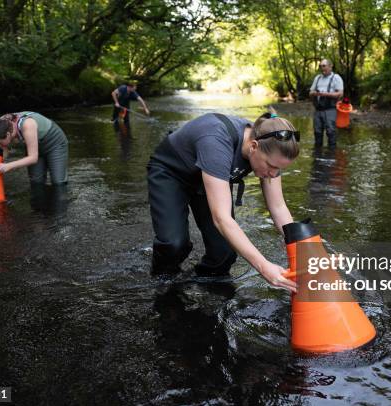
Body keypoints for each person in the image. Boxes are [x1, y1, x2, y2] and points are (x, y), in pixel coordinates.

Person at [147, 111, 300, 292]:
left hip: (210, 178)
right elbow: (222, 219)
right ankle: (162, 284)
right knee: (174, 244)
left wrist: (301, 248)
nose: (274, 175)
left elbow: (278, 206)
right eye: (272, 167)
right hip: (171, 172)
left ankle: (199, 285)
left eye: (280, 169)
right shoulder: (216, 141)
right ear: (253, 146)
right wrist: (264, 267)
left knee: (224, 254)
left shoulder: (270, 149)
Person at [0, 111, 68, 185]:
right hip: (33, 145)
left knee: (58, 182)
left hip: (54, 144)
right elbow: (4, 149)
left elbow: (33, 158)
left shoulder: (27, 125)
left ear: (7, 135)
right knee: (36, 181)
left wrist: (8, 166)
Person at [309, 59, 344, 148]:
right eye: (321, 66)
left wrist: (325, 94)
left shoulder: (336, 78)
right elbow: (310, 92)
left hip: (330, 110)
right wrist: (315, 93)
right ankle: (317, 155)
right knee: (317, 132)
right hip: (318, 110)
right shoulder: (317, 78)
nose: (322, 68)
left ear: (330, 66)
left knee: (331, 132)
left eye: (324, 66)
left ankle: (332, 155)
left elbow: (340, 94)